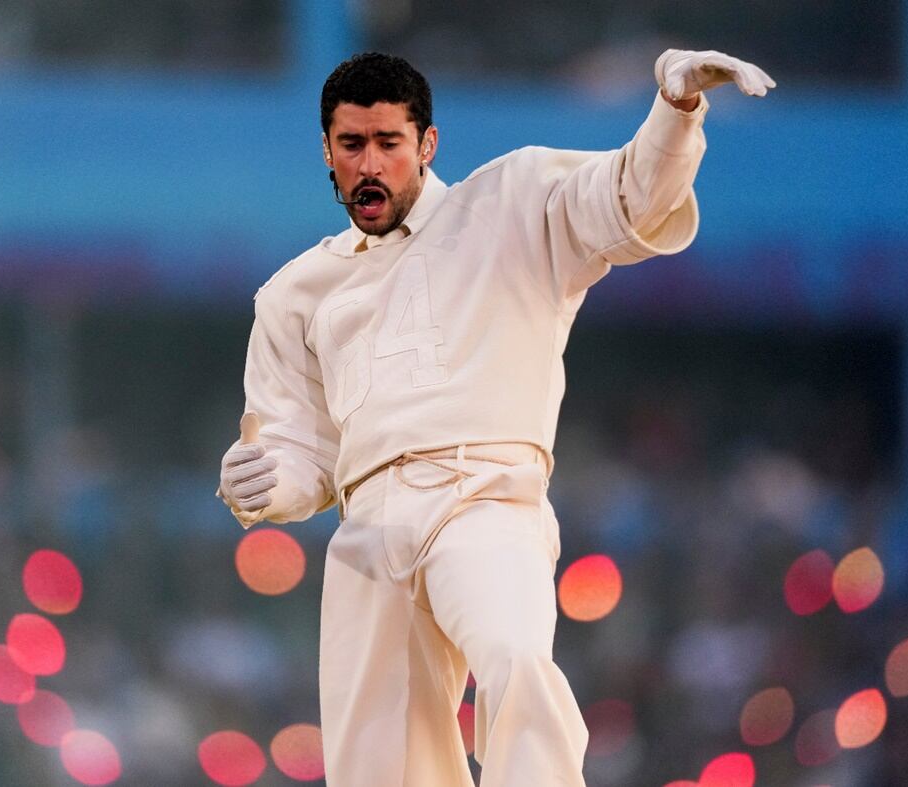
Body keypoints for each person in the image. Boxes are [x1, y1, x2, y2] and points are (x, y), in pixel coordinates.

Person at [218, 49, 774, 786]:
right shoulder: (293, 291)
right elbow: (299, 449)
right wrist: (259, 482)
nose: (370, 163)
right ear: (327, 150)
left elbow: (626, 200)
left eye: (389, 141)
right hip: (367, 527)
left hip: (483, 496)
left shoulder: (511, 200)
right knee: (378, 769)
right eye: (352, 144)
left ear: (427, 143)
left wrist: (673, 114)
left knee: (513, 657)